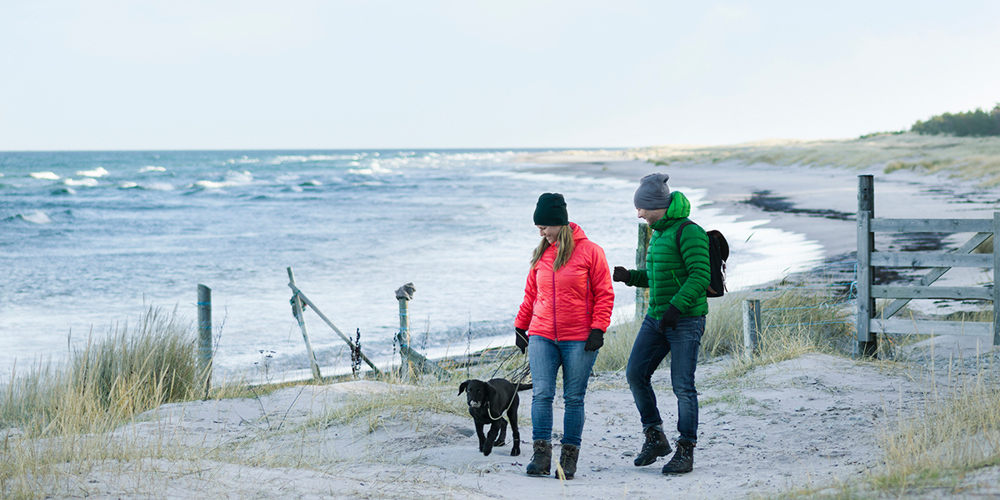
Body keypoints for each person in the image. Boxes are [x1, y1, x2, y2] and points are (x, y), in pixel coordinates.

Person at [613, 173, 710, 475]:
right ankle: (654, 436)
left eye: (641, 208)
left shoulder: (689, 231)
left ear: (656, 205)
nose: (638, 213)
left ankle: (686, 449)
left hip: (685, 320)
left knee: (683, 385)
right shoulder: (658, 232)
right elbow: (658, 278)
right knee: (635, 374)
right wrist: (630, 276)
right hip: (656, 318)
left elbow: (699, 276)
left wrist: (676, 308)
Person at [514, 192, 614, 479]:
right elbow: (531, 294)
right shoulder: (541, 254)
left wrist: (598, 328)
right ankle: (541, 456)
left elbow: (605, 294)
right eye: (538, 227)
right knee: (542, 394)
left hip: (579, 338)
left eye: (544, 226)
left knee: (574, 398)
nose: (541, 231)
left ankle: (568, 459)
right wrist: (521, 326)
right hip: (542, 335)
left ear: (559, 222)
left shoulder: (591, 251)